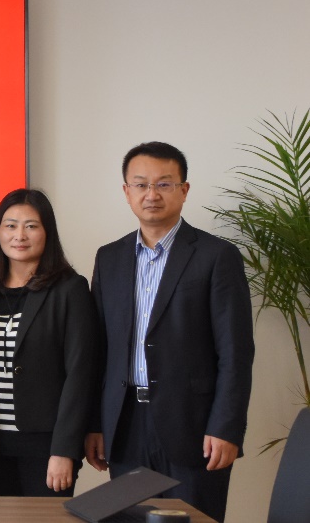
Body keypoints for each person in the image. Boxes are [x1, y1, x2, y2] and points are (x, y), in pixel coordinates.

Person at [85, 142, 254, 523]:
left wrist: (226, 427)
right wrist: (95, 423)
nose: (152, 194)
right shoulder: (109, 258)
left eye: (164, 184)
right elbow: (100, 350)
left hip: (194, 426)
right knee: (129, 519)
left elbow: (236, 352)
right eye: (141, 184)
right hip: (125, 424)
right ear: (126, 191)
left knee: (193, 519)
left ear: (184, 190)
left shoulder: (216, 256)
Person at [0, 189, 98, 497]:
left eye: (31, 226)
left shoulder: (69, 289)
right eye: (10, 225)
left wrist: (65, 449)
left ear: (47, 232)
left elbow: (81, 374)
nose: (20, 235)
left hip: (46, 443)